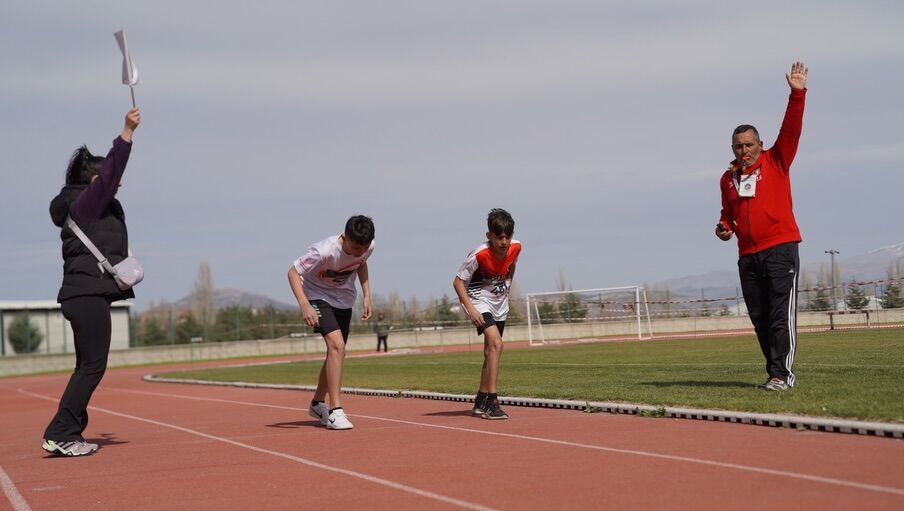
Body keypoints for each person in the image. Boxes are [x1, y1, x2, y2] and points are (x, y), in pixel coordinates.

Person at [42, 108, 142, 456]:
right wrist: (127, 132)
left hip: (83, 295)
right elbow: (113, 173)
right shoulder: (86, 206)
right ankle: (61, 432)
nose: (118, 184)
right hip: (85, 296)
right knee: (93, 366)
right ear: (95, 182)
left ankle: (70, 431)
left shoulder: (86, 208)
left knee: (86, 366)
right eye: (108, 180)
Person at [716, 62, 808, 391]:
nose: (745, 151)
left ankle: (783, 375)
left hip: (780, 249)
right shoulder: (727, 179)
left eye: (749, 145)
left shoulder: (777, 160)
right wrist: (724, 228)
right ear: (733, 149)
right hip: (748, 255)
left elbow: (791, 130)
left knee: (780, 315)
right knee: (760, 319)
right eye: (739, 146)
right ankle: (773, 373)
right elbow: (727, 215)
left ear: (760, 144)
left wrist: (796, 94)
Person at [288, 215, 375, 430]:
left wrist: (366, 295)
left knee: (338, 352)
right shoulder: (324, 251)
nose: (358, 252)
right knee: (336, 345)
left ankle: (317, 403)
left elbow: (361, 264)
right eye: (355, 247)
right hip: (316, 295)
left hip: (343, 299)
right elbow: (292, 272)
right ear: (344, 237)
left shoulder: (367, 247)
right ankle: (336, 411)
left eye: (363, 248)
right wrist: (304, 304)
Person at [453, 208, 521, 419]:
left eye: (507, 236)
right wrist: (471, 309)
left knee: (490, 352)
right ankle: (492, 401)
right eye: (499, 237)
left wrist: (507, 285)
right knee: (497, 343)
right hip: (477, 301)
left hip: (499, 304)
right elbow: (457, 282)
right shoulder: (479, 254)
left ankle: (480, 401)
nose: (504, 241)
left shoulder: (516, 247)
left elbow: (512, 265)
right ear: (489, 235)